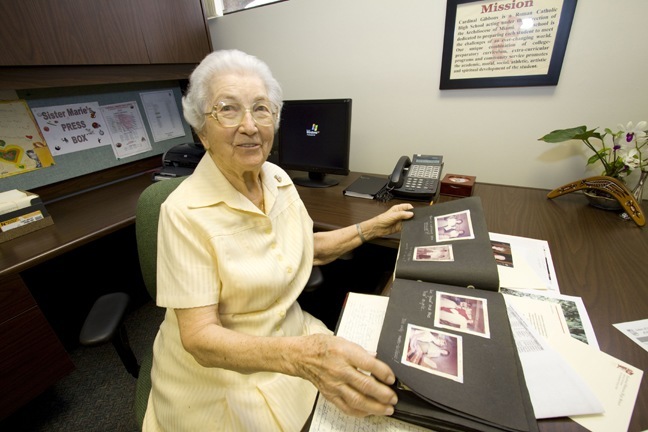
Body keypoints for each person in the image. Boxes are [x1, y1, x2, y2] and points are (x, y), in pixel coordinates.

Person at [142, 49, 415, 432]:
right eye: (228, 109)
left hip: (290, 333)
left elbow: (303, 249)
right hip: (224, 368)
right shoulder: (182, 212)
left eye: (261, 109)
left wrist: (373, 227)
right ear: (202, 132)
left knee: (386, 398)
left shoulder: (277, 178)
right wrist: (302, 357)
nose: (250, 125)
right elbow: (199, 338)